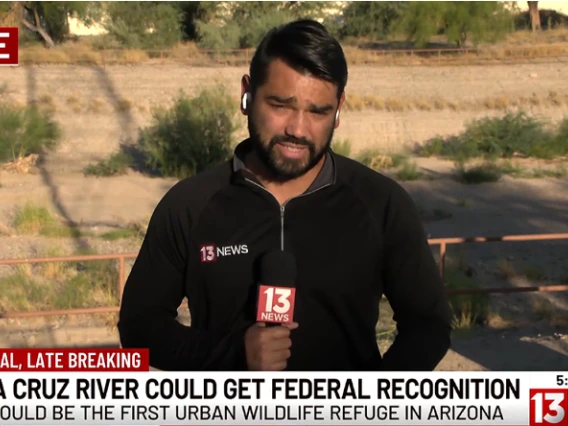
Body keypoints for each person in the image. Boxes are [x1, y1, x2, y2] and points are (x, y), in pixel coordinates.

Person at [118, 19, 453, 371]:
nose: (297, 129)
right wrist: (232, 353)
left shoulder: (381, 204)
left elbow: (428, 324)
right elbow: (141, 326)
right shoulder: (189, 205)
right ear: (247, 94)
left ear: (338, 109)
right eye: (280, 105)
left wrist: (370, 403)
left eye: (318, 111)